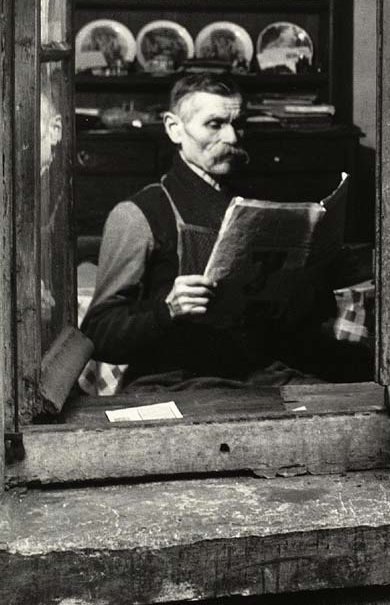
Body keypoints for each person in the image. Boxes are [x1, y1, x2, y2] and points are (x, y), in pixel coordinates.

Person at [81, 73, 354, 390]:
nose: (233, 138)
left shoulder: (256, 203)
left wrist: (304, 281)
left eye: (237, 124)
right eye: (214, 124)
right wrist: (166, 311)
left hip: (259, 373)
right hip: (175, 382)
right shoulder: (138, 214)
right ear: (174, 128)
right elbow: (97, 333)